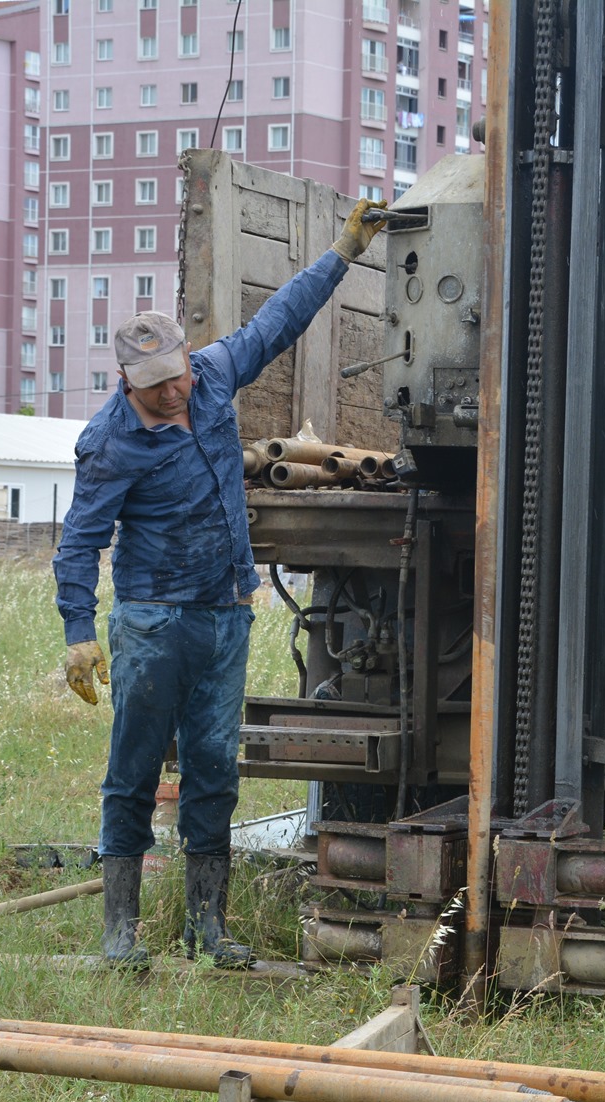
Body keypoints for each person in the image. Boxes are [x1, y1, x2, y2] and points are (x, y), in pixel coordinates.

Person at [53, 199, 386, 968]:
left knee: (213, 769)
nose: (175, 394)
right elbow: (81, 542)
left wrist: (342, 251)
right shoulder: (108, 444)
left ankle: (210, 931)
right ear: (127, 380)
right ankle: (120, 936)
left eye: (177, 376)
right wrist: (78, 632)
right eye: (157, 386)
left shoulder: (212, 376)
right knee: (133, 772)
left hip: (224, 616)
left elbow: (279, 321)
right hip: (152, 621)